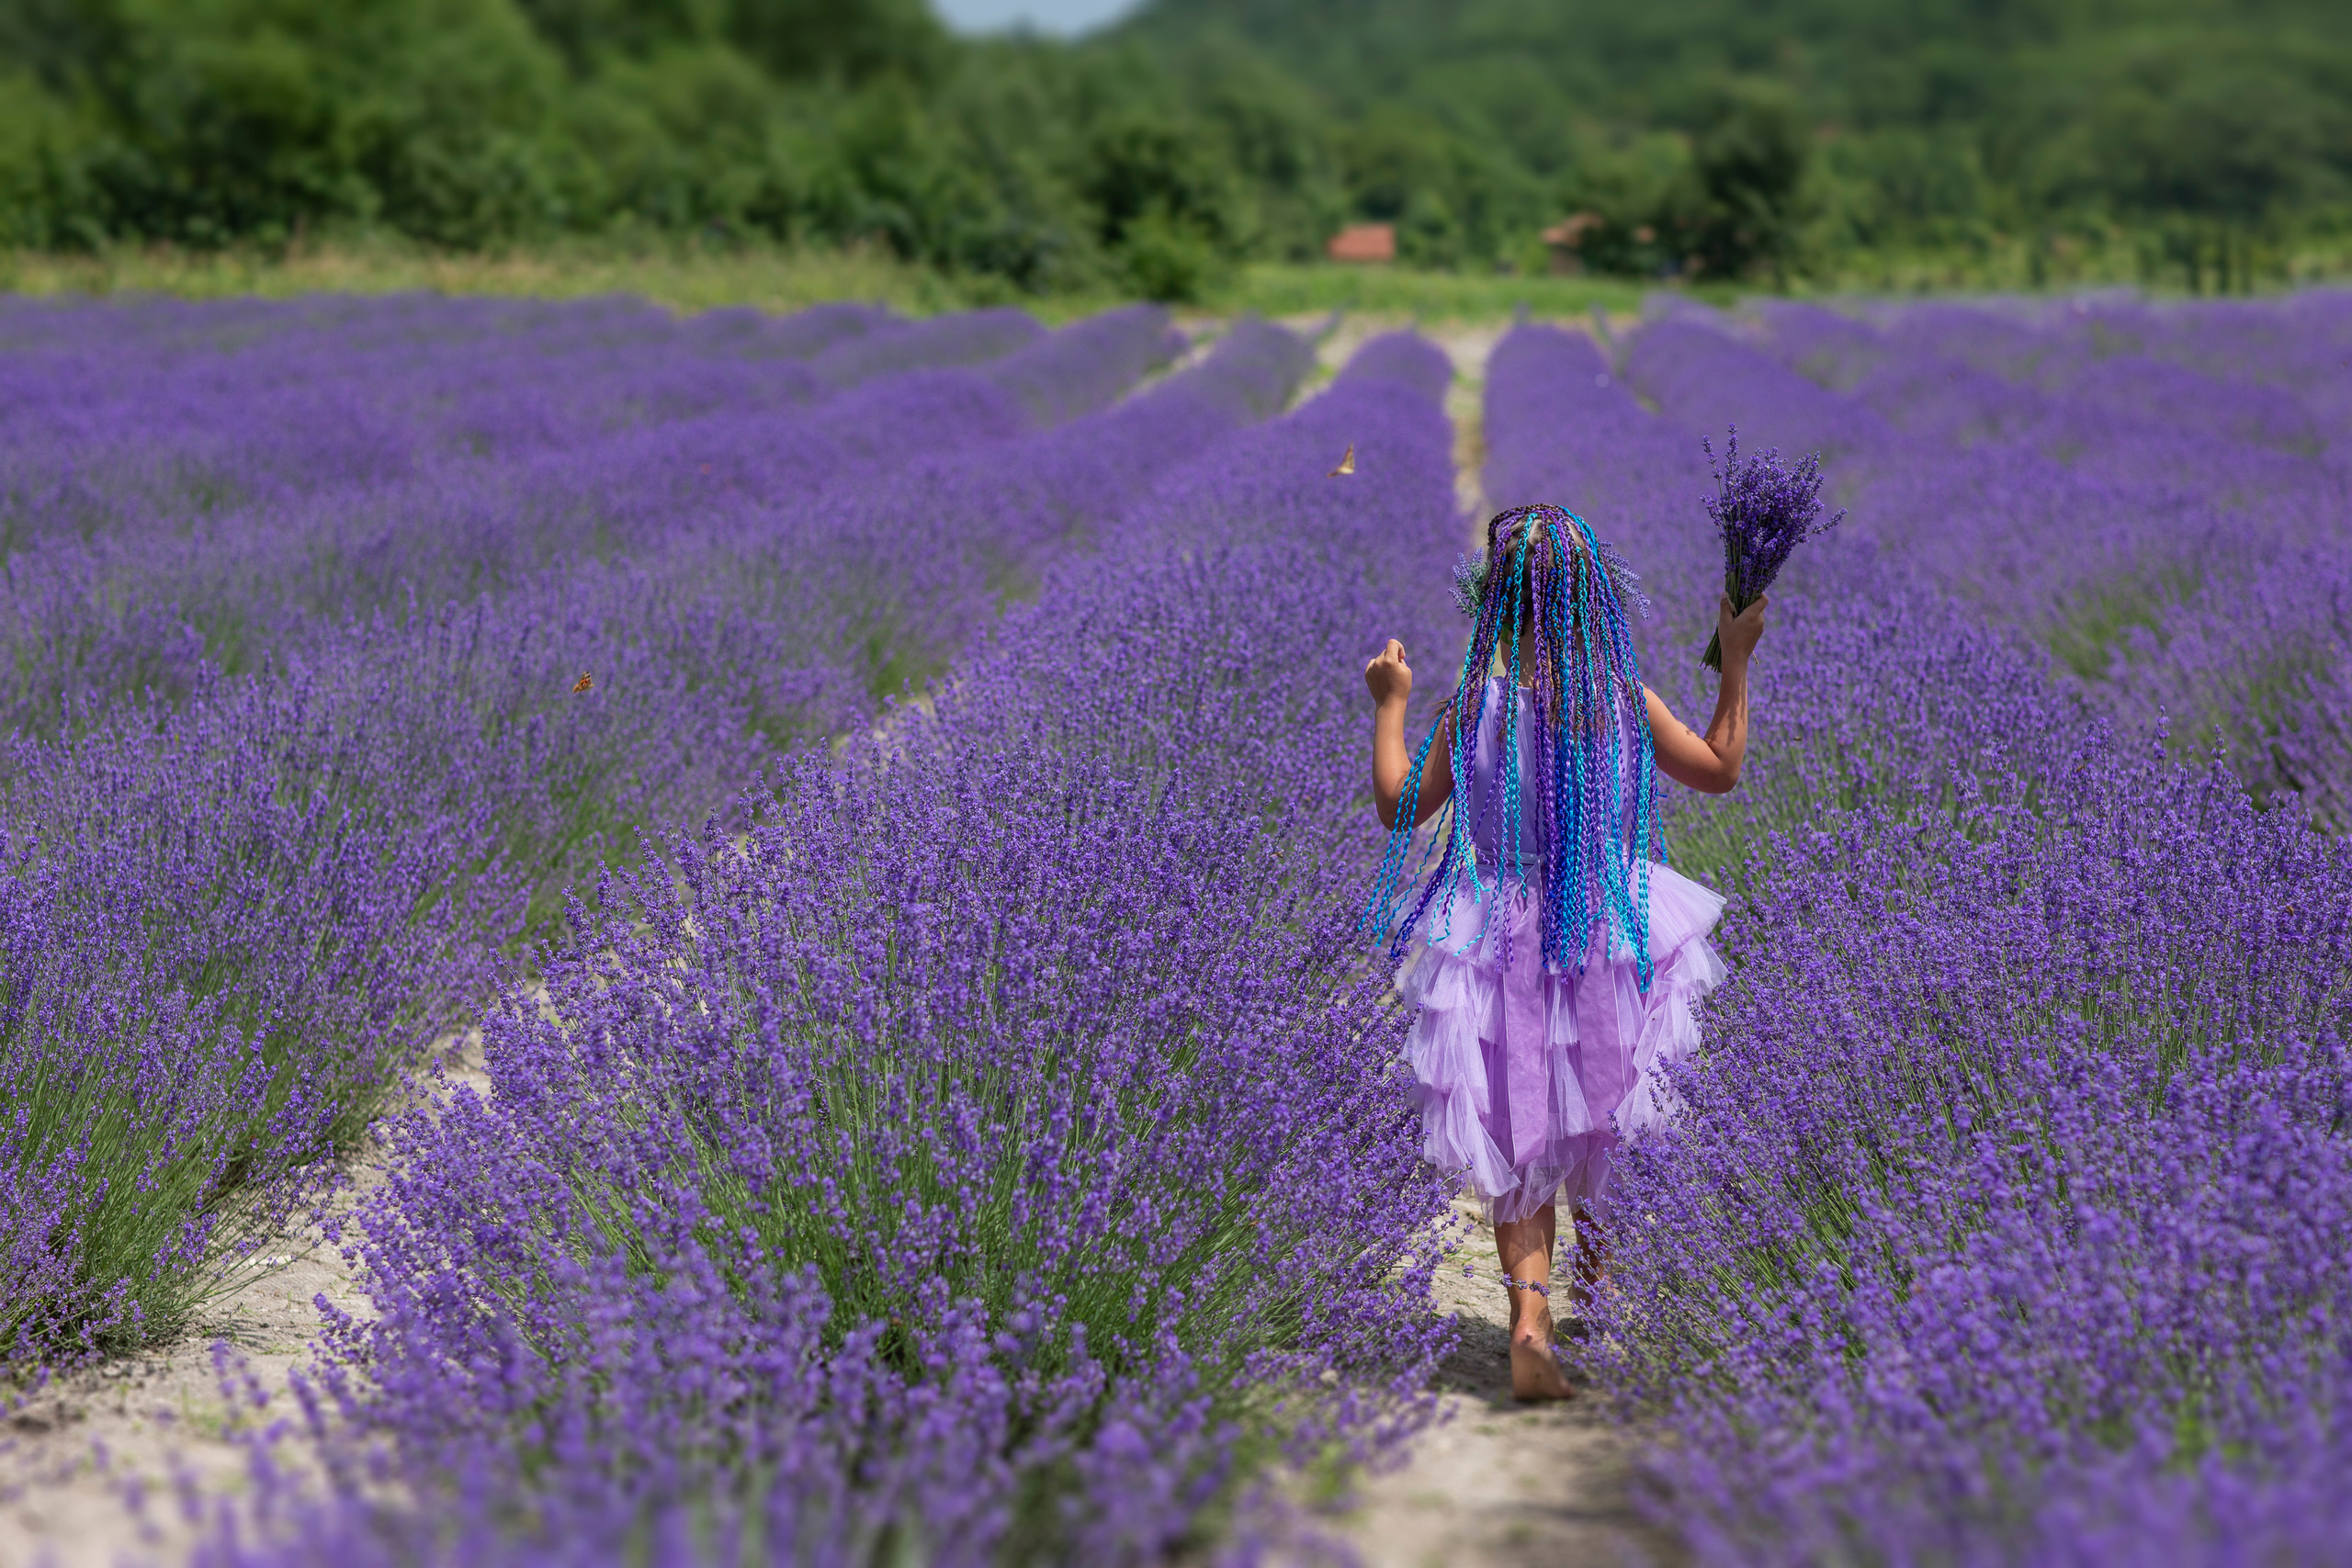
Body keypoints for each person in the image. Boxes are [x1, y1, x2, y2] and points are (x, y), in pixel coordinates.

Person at [1361, 503, 1765, 1401]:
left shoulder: (1476, 707)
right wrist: (1733, 658)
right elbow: (1720, 767)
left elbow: (1398, 811)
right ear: (1596, 603)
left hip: (1499, 934)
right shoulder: (1627, 701)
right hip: (1611, 929)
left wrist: (1389, 707)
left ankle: (1529, 1321)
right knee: (1608, 1118)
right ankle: (1602, 1289)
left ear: (1498, 611)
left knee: (1520, 1134)